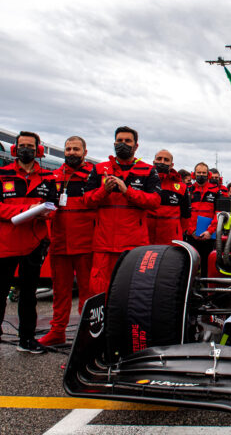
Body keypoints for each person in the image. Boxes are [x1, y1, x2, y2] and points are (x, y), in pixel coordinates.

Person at [0, 131, 58, 359]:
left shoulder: (48, 177)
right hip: (4, 242)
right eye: (23, 145)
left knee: (29, 295)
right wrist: (26, 210)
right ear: (15, 149)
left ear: (39, 150)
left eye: (31, 146)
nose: (27, 149)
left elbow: (53, 206)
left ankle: (26, 339)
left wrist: (44, 213)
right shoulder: (1, 174)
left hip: (33, 243)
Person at [84, 126, 161, 295]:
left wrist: (128, 192)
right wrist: (104, 190)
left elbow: (155, 201)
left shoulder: (148, 170)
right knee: (99, 290)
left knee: (132, 290)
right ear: (114, 143)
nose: (123, 144)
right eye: (119, 141)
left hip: (134, 244)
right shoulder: (99, 169)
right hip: (104, 244)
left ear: (136, 146)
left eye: (127, 141)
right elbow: (87, 200)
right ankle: (103, 322)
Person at [39, 136, 96, 347]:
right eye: (68, 149)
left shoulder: (93, 175)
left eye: (76, 149)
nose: (71, 152)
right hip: (60, 243)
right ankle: (57, 331)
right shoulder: (53, 175)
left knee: (87, 293)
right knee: (60, 292)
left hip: (86, 243)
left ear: (85, 152)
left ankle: (86, 334)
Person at [148, 150, 192, 244]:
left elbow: (186, 216)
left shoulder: (181, 187)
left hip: (171, 239)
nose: (162, 162)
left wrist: (176, 230)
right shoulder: (146, 182)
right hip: (147, 237)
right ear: (154, 162)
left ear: (171, 165)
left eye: (166, 160)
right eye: (159, 159)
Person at [188, 162, 220, 264]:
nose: (201, 175)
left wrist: (210, 231)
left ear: (208, 175)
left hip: (209, 236)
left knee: (207, 264)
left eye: (203, 173)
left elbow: (218, 213)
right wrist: (191, 231)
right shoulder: (188, 190)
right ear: (194, 174)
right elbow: (184, 213)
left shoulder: (215, 191)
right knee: (191, 264)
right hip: (191, 236)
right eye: (199, 172)